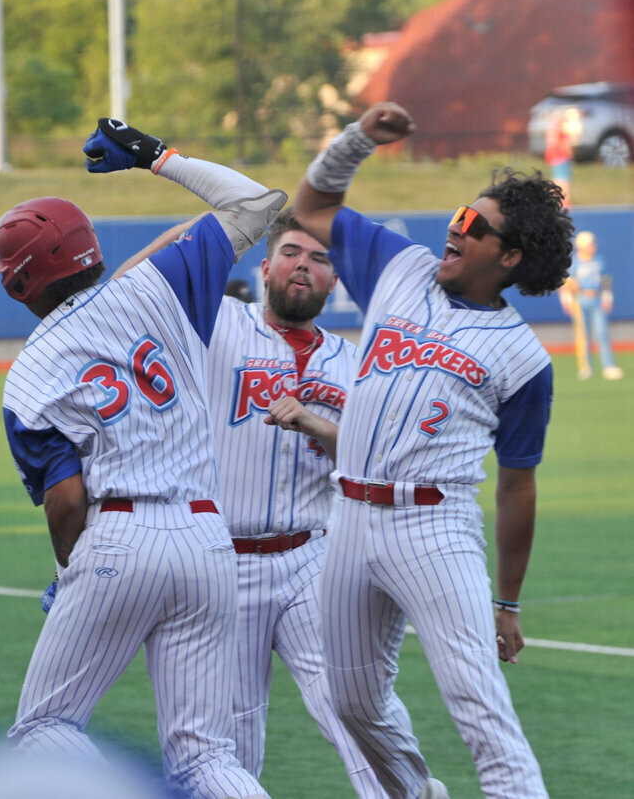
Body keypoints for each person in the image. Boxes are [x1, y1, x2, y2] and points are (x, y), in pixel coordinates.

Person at [0, 116, 287, 799]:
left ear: (19, 284)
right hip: (210, 536)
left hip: (122, 534)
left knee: (44, 726)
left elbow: (66, 503)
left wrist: (71, 573)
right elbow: (256, 202)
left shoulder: (30, 373)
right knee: (206, 756)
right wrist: (157, 155)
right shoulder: (158, 283)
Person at [113, 208, 448, 798]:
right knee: (230, 740)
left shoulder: (355, 363)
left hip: (311, 560)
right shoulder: (216, 325)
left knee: (355, 705)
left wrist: (319, 424)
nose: (305, 266)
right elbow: (127, 291)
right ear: (266, 267)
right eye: (292, 252)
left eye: (320, 259)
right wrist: (205, 220)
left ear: (334, 281)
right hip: (220, 562)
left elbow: (387, 455)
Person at [292, 101, 573, 799]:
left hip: (434, 528)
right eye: (459, 212)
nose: (456, 226)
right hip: (348, 517)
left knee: (480, 709)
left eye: (475, 225)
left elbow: (518, 486)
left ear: (508, 257)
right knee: (352, 703)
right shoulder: (400, 267)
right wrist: (358, 139)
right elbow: (313, 202)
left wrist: (507, 599)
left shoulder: (522, 357)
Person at [559, 230, 623, 380]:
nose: (594, 246)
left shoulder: (599, 260)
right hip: (580, 301)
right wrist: (567, 301)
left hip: (597, 300)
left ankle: (608, 366)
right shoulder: (574, 262)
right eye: (591, 244)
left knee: (602, 333)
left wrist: (608, 299)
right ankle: (586, 367)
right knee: (583, 336)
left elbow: (606, 281)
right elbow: (566, 284)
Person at [544, 111, 574, 208]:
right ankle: (564, 201)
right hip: (560, 158)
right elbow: (563, 145)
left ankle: (560, 199)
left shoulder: (555, 131)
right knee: (562, 180)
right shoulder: (558, 131)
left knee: (560, 179)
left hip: (559, 158)